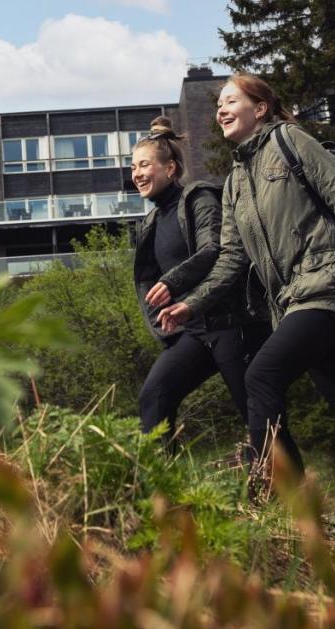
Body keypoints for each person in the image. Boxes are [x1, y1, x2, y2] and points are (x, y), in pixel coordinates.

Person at [156, 75, 335, 530]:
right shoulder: (234, 183)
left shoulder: (290, 141)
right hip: (293, 302)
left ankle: (272, 503)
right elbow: (231, 259)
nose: (221, 110)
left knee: (261, 374)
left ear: (261, 108)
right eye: (219, 105)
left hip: (328, 285)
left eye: (232, 101)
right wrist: (193, 303)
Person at [132, 116, 254, 444]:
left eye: (144, 165)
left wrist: (173, 282)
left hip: (227, 322)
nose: (137, 174)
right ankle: (162, 492)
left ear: (170, 169)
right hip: (193, 331)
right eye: (133, 168)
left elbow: (214, 249)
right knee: (153, 396)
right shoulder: (151, 222)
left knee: (256, 411)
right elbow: (146, 277)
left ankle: (289, 487)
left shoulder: (198, 199)